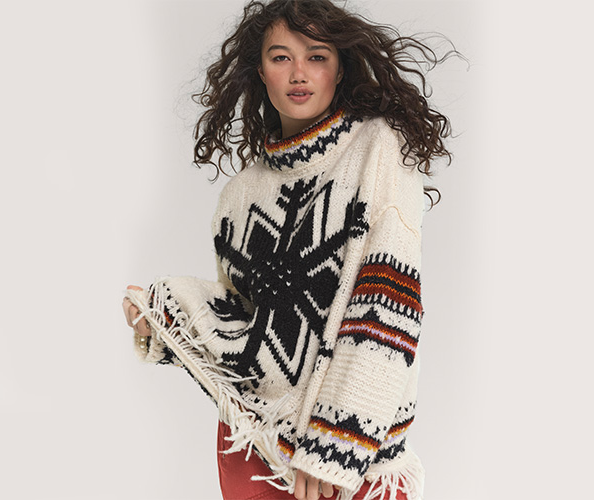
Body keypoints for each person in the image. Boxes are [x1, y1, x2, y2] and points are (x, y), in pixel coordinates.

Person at [122, 1, 456, 499]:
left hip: (352, 455)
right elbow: (249, 320)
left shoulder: (379, 150)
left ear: (339, 68)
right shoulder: (240, 196)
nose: (299, 73)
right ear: (260, 71)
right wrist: (168, 315)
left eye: (317, 56)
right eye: (281, 57)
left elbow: (386, 307)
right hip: (256, 444)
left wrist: (336, 444)